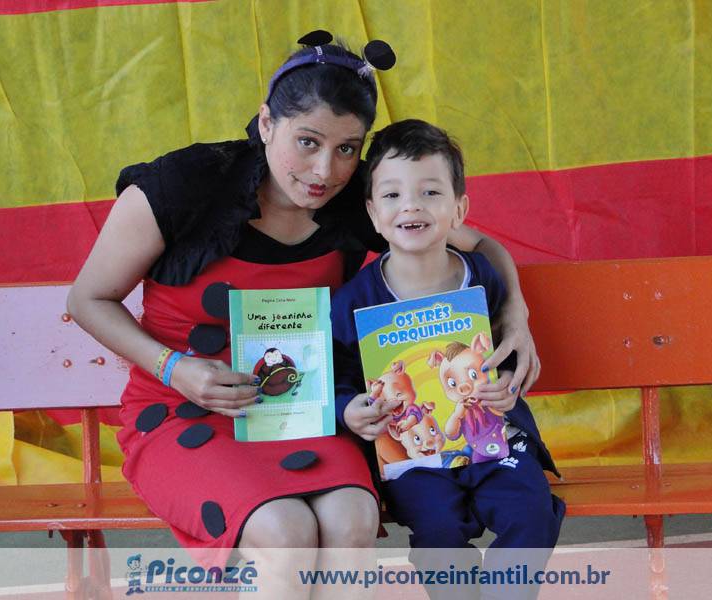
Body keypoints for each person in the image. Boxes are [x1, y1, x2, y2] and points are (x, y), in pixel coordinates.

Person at [67, 31, 538, 579]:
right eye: (307, 142)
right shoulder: (181, 186)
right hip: (183, 408)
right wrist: (174, 368)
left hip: (304, 410)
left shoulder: (360, 199)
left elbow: (481, 246)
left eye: (347, 149)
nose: (324, 172)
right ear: (267, 122)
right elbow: (87, 299)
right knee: (284, 530)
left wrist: (516, 316)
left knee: (354, 516)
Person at [331, 119, 565, 600]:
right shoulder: (355, 300)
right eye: (392, 195)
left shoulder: (481, 277)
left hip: (494, 440)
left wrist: (505, 386)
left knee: (531, 511)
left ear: (459, 209)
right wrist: (348, 409)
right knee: (437, 528)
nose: (411, 205)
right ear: (373, 213)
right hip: (414, 456)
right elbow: (338, 377)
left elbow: (500, 356)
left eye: (430, 192)